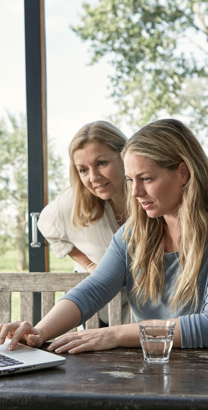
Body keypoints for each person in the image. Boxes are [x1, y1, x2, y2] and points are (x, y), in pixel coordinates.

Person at [0, 118, 208, 352]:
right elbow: (94, 289)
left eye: (146, 179)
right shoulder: (134, 234)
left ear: (183, 172)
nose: (135, 193)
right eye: (132, 181)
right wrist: (39, 332)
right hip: (160, 371)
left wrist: (115, 334)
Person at [37, 120, 131, 325]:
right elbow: (47, 226)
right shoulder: (70, 204)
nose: (94, 177)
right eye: (83, 170)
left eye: (102, 163)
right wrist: (88, 264)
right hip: (98, 313)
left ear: (125, 157)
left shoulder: (150, 197)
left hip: (150, 315)